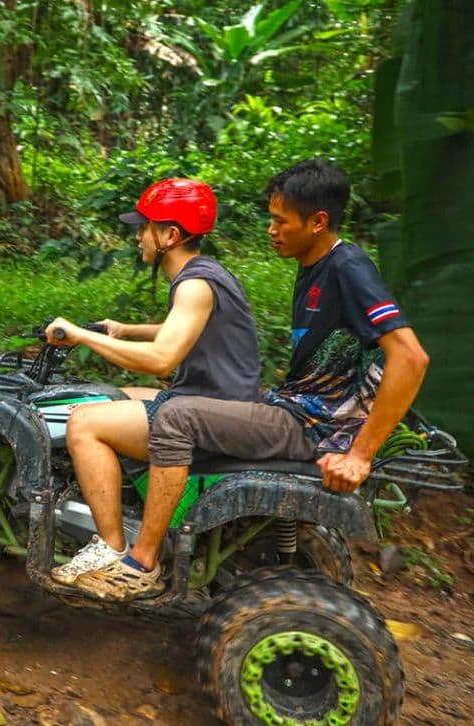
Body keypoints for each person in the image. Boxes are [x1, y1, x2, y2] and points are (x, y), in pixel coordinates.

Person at [72, 159, 430, 602]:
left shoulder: (348, 268)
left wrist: (359, 454)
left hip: (312, 426)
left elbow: (411, 357)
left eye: (280, 221)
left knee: (176, 414)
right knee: (125, 400)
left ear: (318, 222)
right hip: (296, 409)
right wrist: (125, 330)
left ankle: (140, 562)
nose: (271, 230)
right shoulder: (317, 266)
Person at [43, 178, 261, 588]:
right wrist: (126, 329)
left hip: (212, 412)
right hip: (219, 402)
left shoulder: (194, 284)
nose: (138, 236)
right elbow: (182, 330)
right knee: (116, 396)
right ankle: (124, 500)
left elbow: (163, 358)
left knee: (84, 423)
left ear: (170, 235)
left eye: (144, 227)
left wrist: (83, 335)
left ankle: (112, 549)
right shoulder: (205, 274)